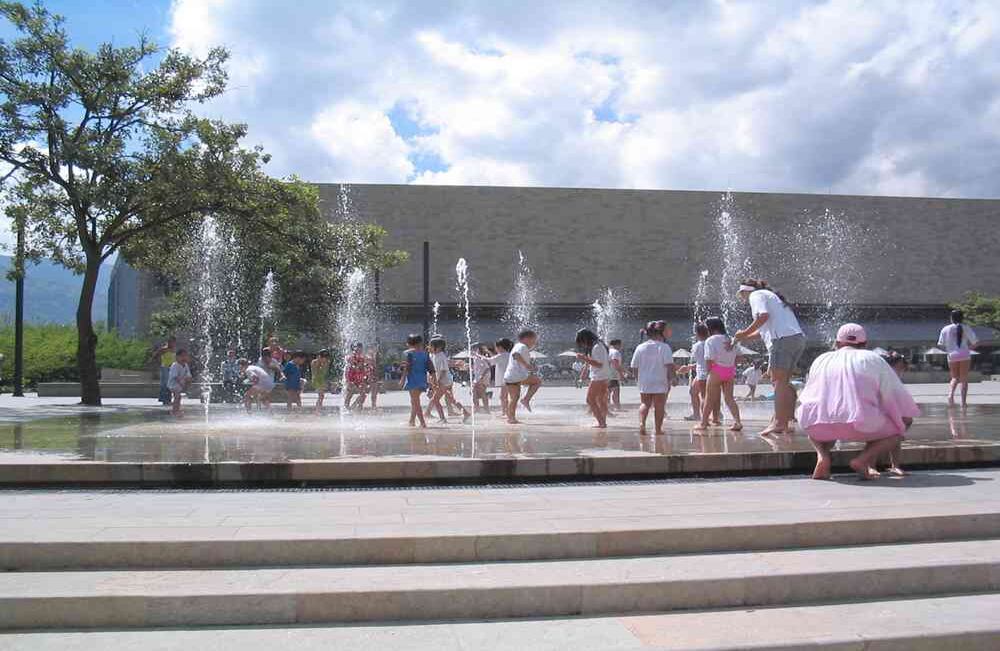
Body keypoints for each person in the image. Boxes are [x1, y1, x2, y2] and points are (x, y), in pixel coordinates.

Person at [798, 323, 920, 481]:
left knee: (816, 420)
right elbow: (894, 398)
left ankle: (822, 456)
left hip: (819, 427)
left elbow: (808, 395)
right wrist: (901, 419)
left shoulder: (821, 359)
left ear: (837, 343)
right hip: (861, 426)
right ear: (865, 344)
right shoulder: (873, 358)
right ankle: (862, 460)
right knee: (898, 429)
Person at [733, 279, 806, 436]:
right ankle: (786, 421)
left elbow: (763, 317)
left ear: (746, 291)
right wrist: (744, 337)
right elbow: (762, 331)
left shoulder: (756, 295)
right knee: (784, 382)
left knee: (778, 382)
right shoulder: (771, 296)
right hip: (796, 338)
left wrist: (743, 333)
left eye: (742, 295)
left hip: (782, 340)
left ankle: (779, 423)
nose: (742, 298)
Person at [695, 316, 743, 433]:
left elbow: (709, 359)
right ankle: (737, 422)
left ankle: (703, 423)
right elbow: (740, 357)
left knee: (709, 398)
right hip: (729, 371)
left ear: (711, 328)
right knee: (729, 398)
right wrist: (731, 363)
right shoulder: (731, 339)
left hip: (716, 371)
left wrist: (709, 372)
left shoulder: (710, 340)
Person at [630, 321, 675, 435]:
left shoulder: (640, 347)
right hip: (660, 379)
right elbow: (669, 365)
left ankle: (642, 424)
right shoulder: (664, 347)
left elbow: (634, 366)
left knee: (645, 403)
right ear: (660, 333)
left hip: (645, 380)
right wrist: (672, 378)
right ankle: (658, 429)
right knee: (659, 405)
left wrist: (637, 379)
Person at [938, 309, 979, 407]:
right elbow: (976, 343)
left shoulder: (945, 329)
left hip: (952, 355)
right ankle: (963, 402)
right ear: (962, 318)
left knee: (954, 377)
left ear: (951, 318)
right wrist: (967, 349)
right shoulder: (966, 328)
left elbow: (940, 344)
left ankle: (950, 394)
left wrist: (948, 350)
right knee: (964, 379)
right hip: (964, 355)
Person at [426, 337, 471, 424]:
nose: (430, 347)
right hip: (443, 381)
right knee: (451, 399)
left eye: (431, 346)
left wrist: (437, 381)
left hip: (444, 381)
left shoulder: (441, 356)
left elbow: (443, 370)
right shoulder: (436, 355)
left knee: (435, 400)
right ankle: (466, 413)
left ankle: (443, 419)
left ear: (438, 347)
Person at [504, 330, 542, 424]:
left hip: (511, 376)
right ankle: (525, 399)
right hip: (517, 376)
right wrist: (527, 366)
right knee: (537, 381)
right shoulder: (522, 346)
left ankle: (511, 418)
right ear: (526, 339)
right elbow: (515, 355)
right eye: (534, 340)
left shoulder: (518, 346)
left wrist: (529, 365)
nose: (534, 343)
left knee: (513, 398)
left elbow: (518, 356)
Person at [680, 324, 715, 423]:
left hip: (702, 373)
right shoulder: (711, 343)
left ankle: (701, 416)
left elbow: (701, 362)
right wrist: (690, 367)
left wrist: (689, 367)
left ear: (697, 334)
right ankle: (713, 414)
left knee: (702, 395)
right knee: (696, 392)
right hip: (711, 372)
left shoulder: (697, 346)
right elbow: (705, 361)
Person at [576, 328, 610, 429]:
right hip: (604, 375)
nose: (583, 345)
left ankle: (601, 422)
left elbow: (599, 364)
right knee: (601, 400)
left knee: (590, 400)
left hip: (599, 376)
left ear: (586, 339)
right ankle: (603, 421)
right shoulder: (599, 345)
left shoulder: (597, 347)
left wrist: (584, 358)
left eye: (582, 342)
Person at [400, 333, 431, 428]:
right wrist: (433, 380)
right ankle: (412, 421)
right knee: (414, 401)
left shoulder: (407, 353)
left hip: (413, 380)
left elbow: (406, 368)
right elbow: (430, 367)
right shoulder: (425, 354)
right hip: (422, 380)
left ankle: (422, 423)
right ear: (420, 343)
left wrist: (402, 379)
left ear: (408, 344)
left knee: (415, 402)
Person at [166, 348, 192, 418]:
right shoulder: (175, 365)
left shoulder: (185, 365)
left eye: (185, 356)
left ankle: (177, 410)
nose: (184, 358)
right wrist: (181, 382)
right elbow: (175, 376)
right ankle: (174, 411)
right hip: (173, 384)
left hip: (179, 384)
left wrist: (188, 380)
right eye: (182, 356)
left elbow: (188, 375)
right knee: (177, 396)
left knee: (178, 397)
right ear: (177, 357)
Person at [492, 338, 514, 418]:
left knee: (503, 396)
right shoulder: (509, 354)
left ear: (500, 347)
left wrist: (478, 356)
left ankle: (506, 413)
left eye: (496, 347)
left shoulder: (501, 355)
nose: (495, 349)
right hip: (510, 378)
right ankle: (507, 412)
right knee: (506, 396)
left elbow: (490, 361)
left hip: (505, 379)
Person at [152, 336, 177, 405]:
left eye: (173, 342)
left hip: (172, 368)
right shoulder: (164, 349)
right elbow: (155, 356)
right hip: (165, 368)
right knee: (165, 384)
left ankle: (168, 399)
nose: (171, 343)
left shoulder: (174, 350)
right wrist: (158, 363)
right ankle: (164, 399)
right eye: (170, 341)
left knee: (170, 384)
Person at [343, 342, 367, 411]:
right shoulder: (350, 357)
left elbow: (363, 367)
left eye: (361, 348)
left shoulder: (362, 357)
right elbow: (348, 368)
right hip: (352, 377)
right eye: (358, 347)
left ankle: (355, 408)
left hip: (359, 377)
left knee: (363, 395)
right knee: (350, 393)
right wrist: (348, 380)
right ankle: (347, 408)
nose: (360, 349)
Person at [471, 343, 493, 413]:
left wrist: (481, 377)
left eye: (473, 349)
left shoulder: (480, 358)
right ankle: (481, 408)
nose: (471, 351)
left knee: (479, 392)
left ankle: (481, 408)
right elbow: (477, 368)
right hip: (479, 377)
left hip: (482, 378)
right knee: (477, 393)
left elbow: (487, 368)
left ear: (477, 350)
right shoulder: (476, 358)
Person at [608, 339, 626, 412]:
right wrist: (622, 375)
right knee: (615, 391)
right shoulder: (616, 352)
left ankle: (607, 407)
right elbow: (615, 364)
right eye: (621, 345)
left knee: (608, 392)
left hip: (607, 374)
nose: (621, 346)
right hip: (613, 375)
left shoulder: (608, 351)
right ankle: (617, 407)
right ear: (617, 344)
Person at [310, 349, 331, 414]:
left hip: (322, 380)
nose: (325, 359)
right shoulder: (314, 362)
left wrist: (324, 364)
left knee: (321, 396)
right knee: (321, 395)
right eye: (323, 357)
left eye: (325, 357)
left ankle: (318, 409)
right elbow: (315, 372)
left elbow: (324, 372)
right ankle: (317, 410)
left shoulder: (327, 362)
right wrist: (319, 362)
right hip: (316, 380)